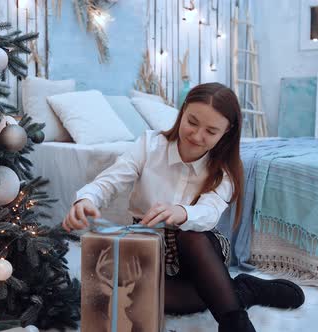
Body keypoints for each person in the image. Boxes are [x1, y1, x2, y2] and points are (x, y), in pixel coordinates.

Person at [62, 83, 305, 332]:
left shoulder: (225, 170)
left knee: (191, 236)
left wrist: (182, 212)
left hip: (198, 250)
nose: (197, 136)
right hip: (148, 245)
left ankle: (234, 321)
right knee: (141, 299)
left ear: (227, 132)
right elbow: (111, 180)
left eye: (211, 131)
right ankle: (242, 290)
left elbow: (209, 212)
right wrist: (86, 199)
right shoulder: (149, 145)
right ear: (183, 110)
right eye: (192, 122)